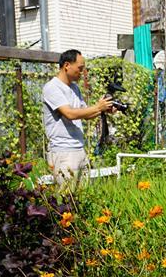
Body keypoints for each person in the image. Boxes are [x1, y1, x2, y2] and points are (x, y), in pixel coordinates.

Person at [42, 49, 114, 186]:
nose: (82, 72)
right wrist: (98, 107)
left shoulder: (74, 88)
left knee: (83, 199)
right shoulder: (52, 87)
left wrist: (105, 109)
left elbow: (85, 114)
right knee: (67, 201)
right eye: (80, 68)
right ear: (67, 65)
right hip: (64, 152)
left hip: (79, 149)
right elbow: (69, 113)